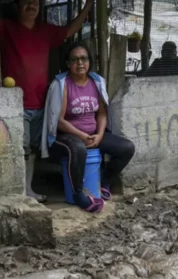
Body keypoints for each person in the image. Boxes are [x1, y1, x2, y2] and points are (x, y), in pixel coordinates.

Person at [0, 0, 95, 201]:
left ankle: (27, 189)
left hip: (41, 104)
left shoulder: (45, 31)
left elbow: (70, 30)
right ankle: (18, 192)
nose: (30, 5)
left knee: (33, 149)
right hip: (15, 104)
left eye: (34, 2)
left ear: (40, 6)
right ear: (18, 6)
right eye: (25, 2)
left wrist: (88, 5)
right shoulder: (5, 27)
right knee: (20, 149)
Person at [43, 43, 135, 213]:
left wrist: (99, 134)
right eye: (75, 59)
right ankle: (78, 195)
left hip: (93, 134)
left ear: (89, 61)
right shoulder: (62, 84)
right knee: (78, 148)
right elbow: (60, 121)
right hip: (66, 137)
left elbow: (101, 113)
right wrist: (82, 136)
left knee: (126, 148)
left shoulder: (96, 82)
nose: (80, 63)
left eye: (84, 58)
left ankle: (105, 180)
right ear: (68, 63)